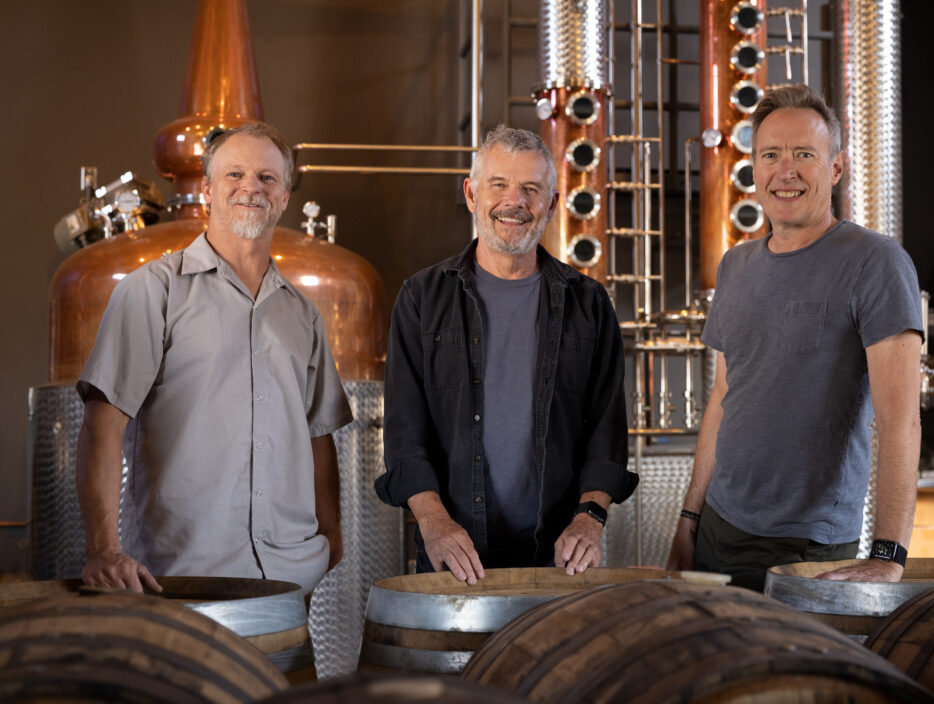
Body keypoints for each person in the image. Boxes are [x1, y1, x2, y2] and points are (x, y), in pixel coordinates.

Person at [76, 122, 351, 595]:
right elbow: (104, 423)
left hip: (289, 580)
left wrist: (330, 541)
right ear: (206, 189)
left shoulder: (301, 313)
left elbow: (318, 435)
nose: (251, 188)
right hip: (183, 577)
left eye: (268, 178)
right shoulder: (153, 291)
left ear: (285, 196)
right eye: (234, 174)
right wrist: (104, 549)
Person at [666, 85, 923, 590]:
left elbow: (901, 419)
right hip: (719, 528)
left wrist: (890, 553)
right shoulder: (735, 265)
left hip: (809, 547)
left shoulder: (874, 261)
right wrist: (689, 518)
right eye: (771, 155)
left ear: (835, 169)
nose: (786, 170)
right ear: (754, 170)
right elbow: (724, 395)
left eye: (804, 154)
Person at [374, 125, 637, 584]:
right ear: (472, 194)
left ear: (552, 205)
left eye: (531, 189)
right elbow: (404, 433)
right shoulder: (421, 298)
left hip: (560, 561)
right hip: (451, 556)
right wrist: (434, 524)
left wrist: (589, 518)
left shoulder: (589, 304)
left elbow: (607, 433)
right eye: (499, 185)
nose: (513, 201)